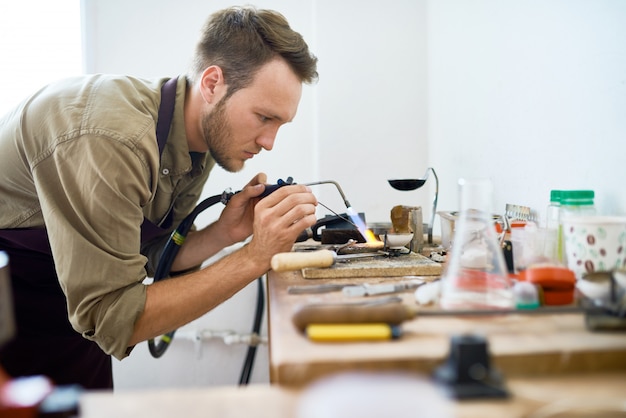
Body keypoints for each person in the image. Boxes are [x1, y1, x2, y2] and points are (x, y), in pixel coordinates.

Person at [0, 6, 318, 390]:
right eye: (264, 118)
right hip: (15, 308)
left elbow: (147, 253)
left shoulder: (194, 139)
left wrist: (222, 234)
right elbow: (114, 318)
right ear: (213, 83)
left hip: (64, 315)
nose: (269, 142)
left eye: (280, 124)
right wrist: (255, 257)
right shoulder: (112, 141)